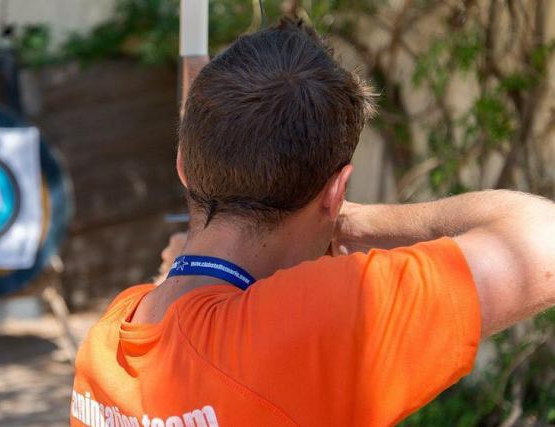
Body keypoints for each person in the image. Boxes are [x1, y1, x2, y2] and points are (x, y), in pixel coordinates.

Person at [70, 18, 555, 427]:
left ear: (181, 164)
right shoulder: (305, 327)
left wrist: (173, 269)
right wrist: (350, 220)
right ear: (336, 190)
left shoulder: (106, 344)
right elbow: (542, 238)